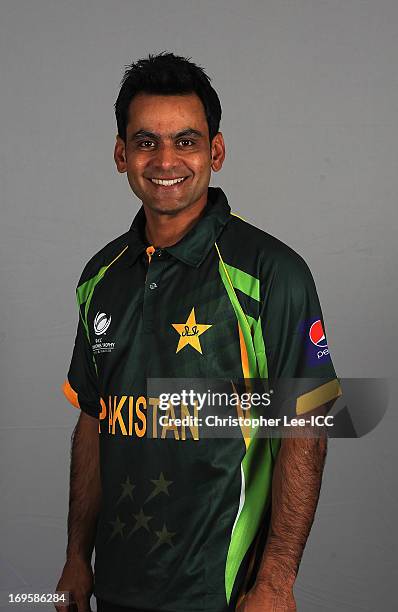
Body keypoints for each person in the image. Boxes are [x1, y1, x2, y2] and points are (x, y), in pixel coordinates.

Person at [55, 52, 342, 612]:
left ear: (216, 151)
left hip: (222, 595)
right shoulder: (100, 277)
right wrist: (74, 558)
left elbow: (306, 422)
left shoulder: (270, 273)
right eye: (145, 142)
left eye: (186, 141)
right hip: (114, 590)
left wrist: (277, 582)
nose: (166, 159)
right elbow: (93, 419)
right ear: (121, 154)